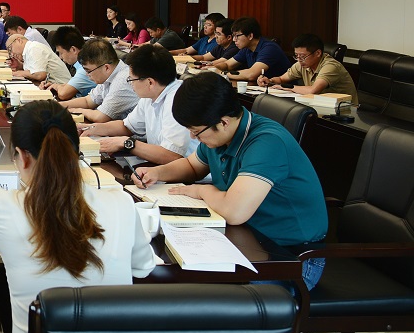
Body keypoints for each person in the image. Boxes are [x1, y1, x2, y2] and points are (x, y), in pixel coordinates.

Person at [0, 100, 154, 333]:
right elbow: (143, 268)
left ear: (22, 157)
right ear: (77, 150)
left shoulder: (2, 206)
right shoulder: (122, 203)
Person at [133, 71, 327, 290]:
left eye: (196, 132)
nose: (194, 138)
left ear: (223, 122)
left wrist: (201, 191)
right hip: (247, 240)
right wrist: (156, 173)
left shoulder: (267, 143)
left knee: (192, 292)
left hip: (292, 260)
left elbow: (235, 212)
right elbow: (191, 166)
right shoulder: (220, 135)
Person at [81, 45, 196, 164]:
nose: (130, 84)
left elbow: (172, 156)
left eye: (131, 80)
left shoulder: (177, 100)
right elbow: (127, 126)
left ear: (150, 82)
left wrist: (125, 143)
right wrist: (91, 128)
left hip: (185, 172)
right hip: (161, 166)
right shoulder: (151, 94)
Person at [58, 38, 139, 123]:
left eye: (89, 71)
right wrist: (58, 105)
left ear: (106, 68)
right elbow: (87, 101)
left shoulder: (122, 81)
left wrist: (75, 110)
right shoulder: (108, 75)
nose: (87, 75)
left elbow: (100, 117)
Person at [257, 33, 358, 101]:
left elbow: (313, 90)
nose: (299, 59)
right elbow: (281, 79)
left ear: (318, 53)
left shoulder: (330, 66)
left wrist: (287, 88)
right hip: (319, 104)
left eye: (302, 56)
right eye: (296, 55)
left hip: (346, 112)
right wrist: (269, 81)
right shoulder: (302, 63)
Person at [213, 17, 292, 82]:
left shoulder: (269, 48)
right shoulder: (247, 48)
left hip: (282, 90)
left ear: (250, 36)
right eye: (233, 36)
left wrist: (222, 73)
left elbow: (251, 74)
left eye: (237, 36)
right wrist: (213, 69)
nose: (234, 39)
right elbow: (227, 65)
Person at [41, 26, 95, 100]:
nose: (60, 57)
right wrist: (54, 86)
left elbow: (63, 94)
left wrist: (57, 87)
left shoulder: (85, 68)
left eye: (61, 53)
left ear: (73, 49)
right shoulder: (84, 63)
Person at [6, 34, 71, 84]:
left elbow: (39, 75)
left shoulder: (34, 48)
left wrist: (17, 73)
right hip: (51, 86)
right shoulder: (28, 50)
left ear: (19, 40)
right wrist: (19, 66)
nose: (12, 54)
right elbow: (33, 69)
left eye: (10, 49)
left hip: (62, 88)